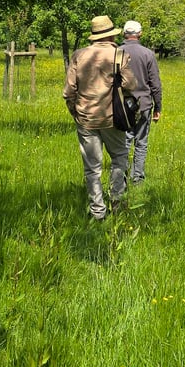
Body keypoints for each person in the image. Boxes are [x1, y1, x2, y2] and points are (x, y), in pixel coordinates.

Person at [63, 16, 138, 220]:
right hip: (112, 118)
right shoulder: (118, 55)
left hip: (86, 118)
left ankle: (97, 211)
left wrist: (76, 113)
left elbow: (69, 92)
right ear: (112, 34)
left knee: (92, 167)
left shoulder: (79, 55)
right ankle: (116, 201)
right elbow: (131, 85)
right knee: (120, 158)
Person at [120, 20, 163, 185]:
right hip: (144, 104)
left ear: (124, 34)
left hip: (122, 106)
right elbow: (155, 84)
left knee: (123, 142)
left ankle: (121, 178)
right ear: (140, 34)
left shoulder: (117, 52)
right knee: (141, 142)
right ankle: (137, 178)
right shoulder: (147, 54)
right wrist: (158, 107)